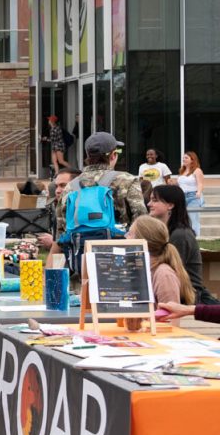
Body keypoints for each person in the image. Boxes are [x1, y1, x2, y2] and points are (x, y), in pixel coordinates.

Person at [48, 132, 146, 268]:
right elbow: (142, 222)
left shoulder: (71, 186)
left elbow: (61, 232)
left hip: (82, 264)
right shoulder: (127, 180)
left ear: (88, 156)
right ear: (112, 155)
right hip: (121, 265)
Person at [149, 184, 217, 305]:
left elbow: (172, 273)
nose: (149, 204)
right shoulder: (169, 232)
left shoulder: (180, 235)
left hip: (188, 299)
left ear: (170, 205)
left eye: (155, 200)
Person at [127, 216, 194, 308]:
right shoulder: (140, 270)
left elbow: (171, 318)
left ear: (142, 240)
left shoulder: (164, 274)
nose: (125, 237)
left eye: (130, 234)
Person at [36, 168, 81, 250]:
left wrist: (53, 242)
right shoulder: (59, 212)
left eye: (63, 185)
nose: (57, 191)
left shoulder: (85, 211)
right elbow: (56, 250)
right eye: (56, 186)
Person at [170, 151, 206, 236]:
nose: (184, 159)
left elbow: (200, 183)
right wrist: (172, 183)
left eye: (186, 158)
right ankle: (186, 235)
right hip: (182, 196)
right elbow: (180, 184)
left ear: (192, 160)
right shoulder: (182, 171)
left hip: (193, 196)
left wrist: (199, 192)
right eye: (183, 158)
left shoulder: (197, 170)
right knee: (182, 217)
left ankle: (195, 236)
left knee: (193, 218)